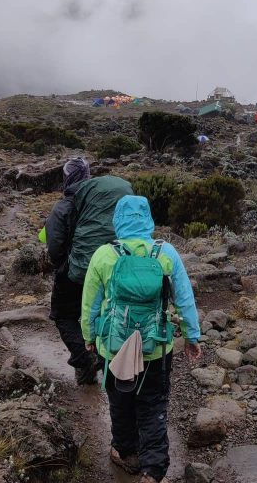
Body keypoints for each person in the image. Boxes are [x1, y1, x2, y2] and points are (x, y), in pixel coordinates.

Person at [81, 195, 201, 483]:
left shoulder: (104, 254)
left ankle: (124, 450)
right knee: (153, 405)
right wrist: (192, 336)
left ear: (118, 220)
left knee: (120, 400)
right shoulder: (166, 252)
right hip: (156, 348)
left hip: (114, 346)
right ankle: (153, 469)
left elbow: (90, 304)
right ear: (147, 218)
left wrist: (89, 336)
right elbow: (184, 298)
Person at [41, 159, 133, 384]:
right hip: (107, 268)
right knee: (100, 313)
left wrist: (63, 264)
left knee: (64, 316)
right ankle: (101, 362)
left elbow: (54, 245)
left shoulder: (64, 206)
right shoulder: (103, 203)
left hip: (75, 271)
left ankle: (85, 360)